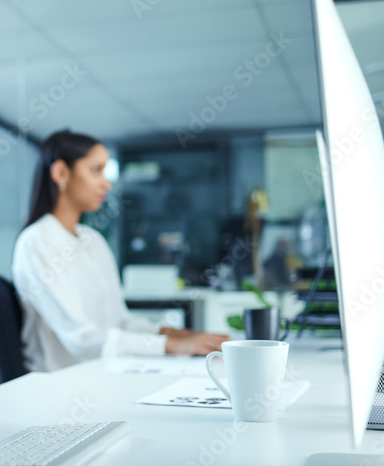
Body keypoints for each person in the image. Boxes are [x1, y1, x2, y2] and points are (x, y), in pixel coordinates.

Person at [12, 130, 226, 372]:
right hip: (62, 382)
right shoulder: (37, 242)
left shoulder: (92, 240)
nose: (107, 183)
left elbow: (120, 322)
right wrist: (172, 345)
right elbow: (82, 341)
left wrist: (183, 336)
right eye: (96, 170)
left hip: (107, 371)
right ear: (61, 173)